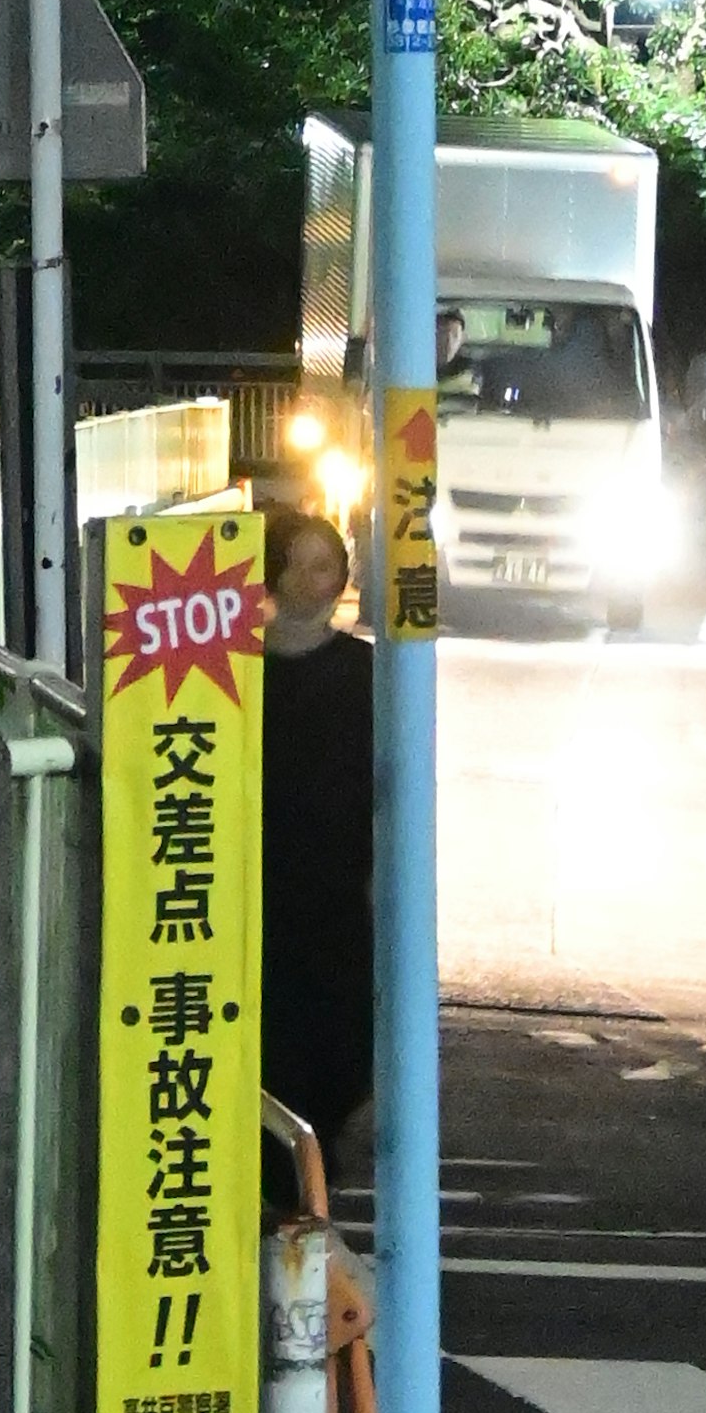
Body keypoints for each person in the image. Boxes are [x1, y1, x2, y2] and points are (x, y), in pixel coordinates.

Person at [256, 498, 376, 1163]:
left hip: (340, 890)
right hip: (264, 886)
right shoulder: (236, 676)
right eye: (298, 567)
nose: (313, 581)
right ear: (272, 575)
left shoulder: (365, 673)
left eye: (326, 567)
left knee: (337, 1041)